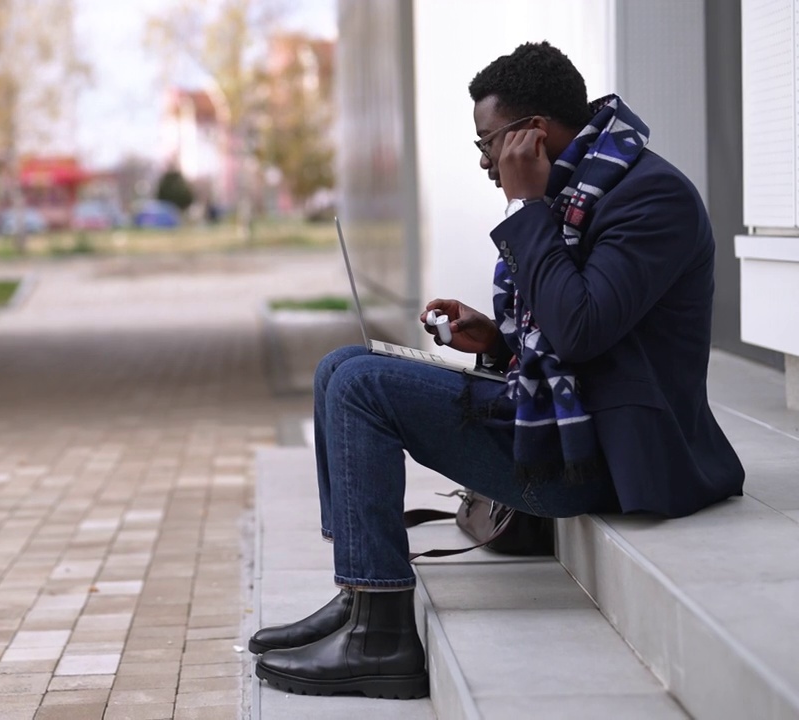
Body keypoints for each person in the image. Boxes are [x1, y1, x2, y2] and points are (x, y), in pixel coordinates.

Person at [251, 41, 745, 699]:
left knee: (362, 386)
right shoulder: (583, 188)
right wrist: (499, 341)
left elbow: (579, 326)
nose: (486, 163)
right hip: (569, 430)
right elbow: (572, 335)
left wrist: (525, 207)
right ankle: (360, 593)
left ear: (533, 134)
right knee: (341, 365)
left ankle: (383, 640)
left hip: (600, 458)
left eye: (487, 144)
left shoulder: (653, 200)